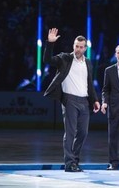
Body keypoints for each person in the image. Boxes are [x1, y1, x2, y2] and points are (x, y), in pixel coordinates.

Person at [43, 28, 100, 172]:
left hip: (85, 101)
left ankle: (74, 160)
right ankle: (69, 164)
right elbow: (47, 60)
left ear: (85, 48)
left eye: (81, 47)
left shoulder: (88, 63)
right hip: (69, 100)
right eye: (76, 46)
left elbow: (89, 83)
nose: (79, 49)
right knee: (70, 132)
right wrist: (50, 43)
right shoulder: (65, 58)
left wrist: (95, 100)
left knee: (83, 132)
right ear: (73, 46)